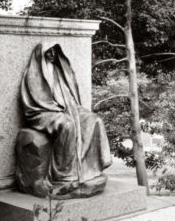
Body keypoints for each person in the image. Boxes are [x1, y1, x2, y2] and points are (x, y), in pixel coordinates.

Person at [16, 43, 112, 199]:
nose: (52, 54)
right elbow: (34, 102)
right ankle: (64, 175)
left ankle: (91, 168)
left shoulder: (60, 73)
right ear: (41, 54)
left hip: (67, 109)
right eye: (49, 51)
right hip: (42, 112)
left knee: (95, 120)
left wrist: (74, 111)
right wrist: (58, 111)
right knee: (66, 125)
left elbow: (70, 99)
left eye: (55, 51)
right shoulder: (33, 74)